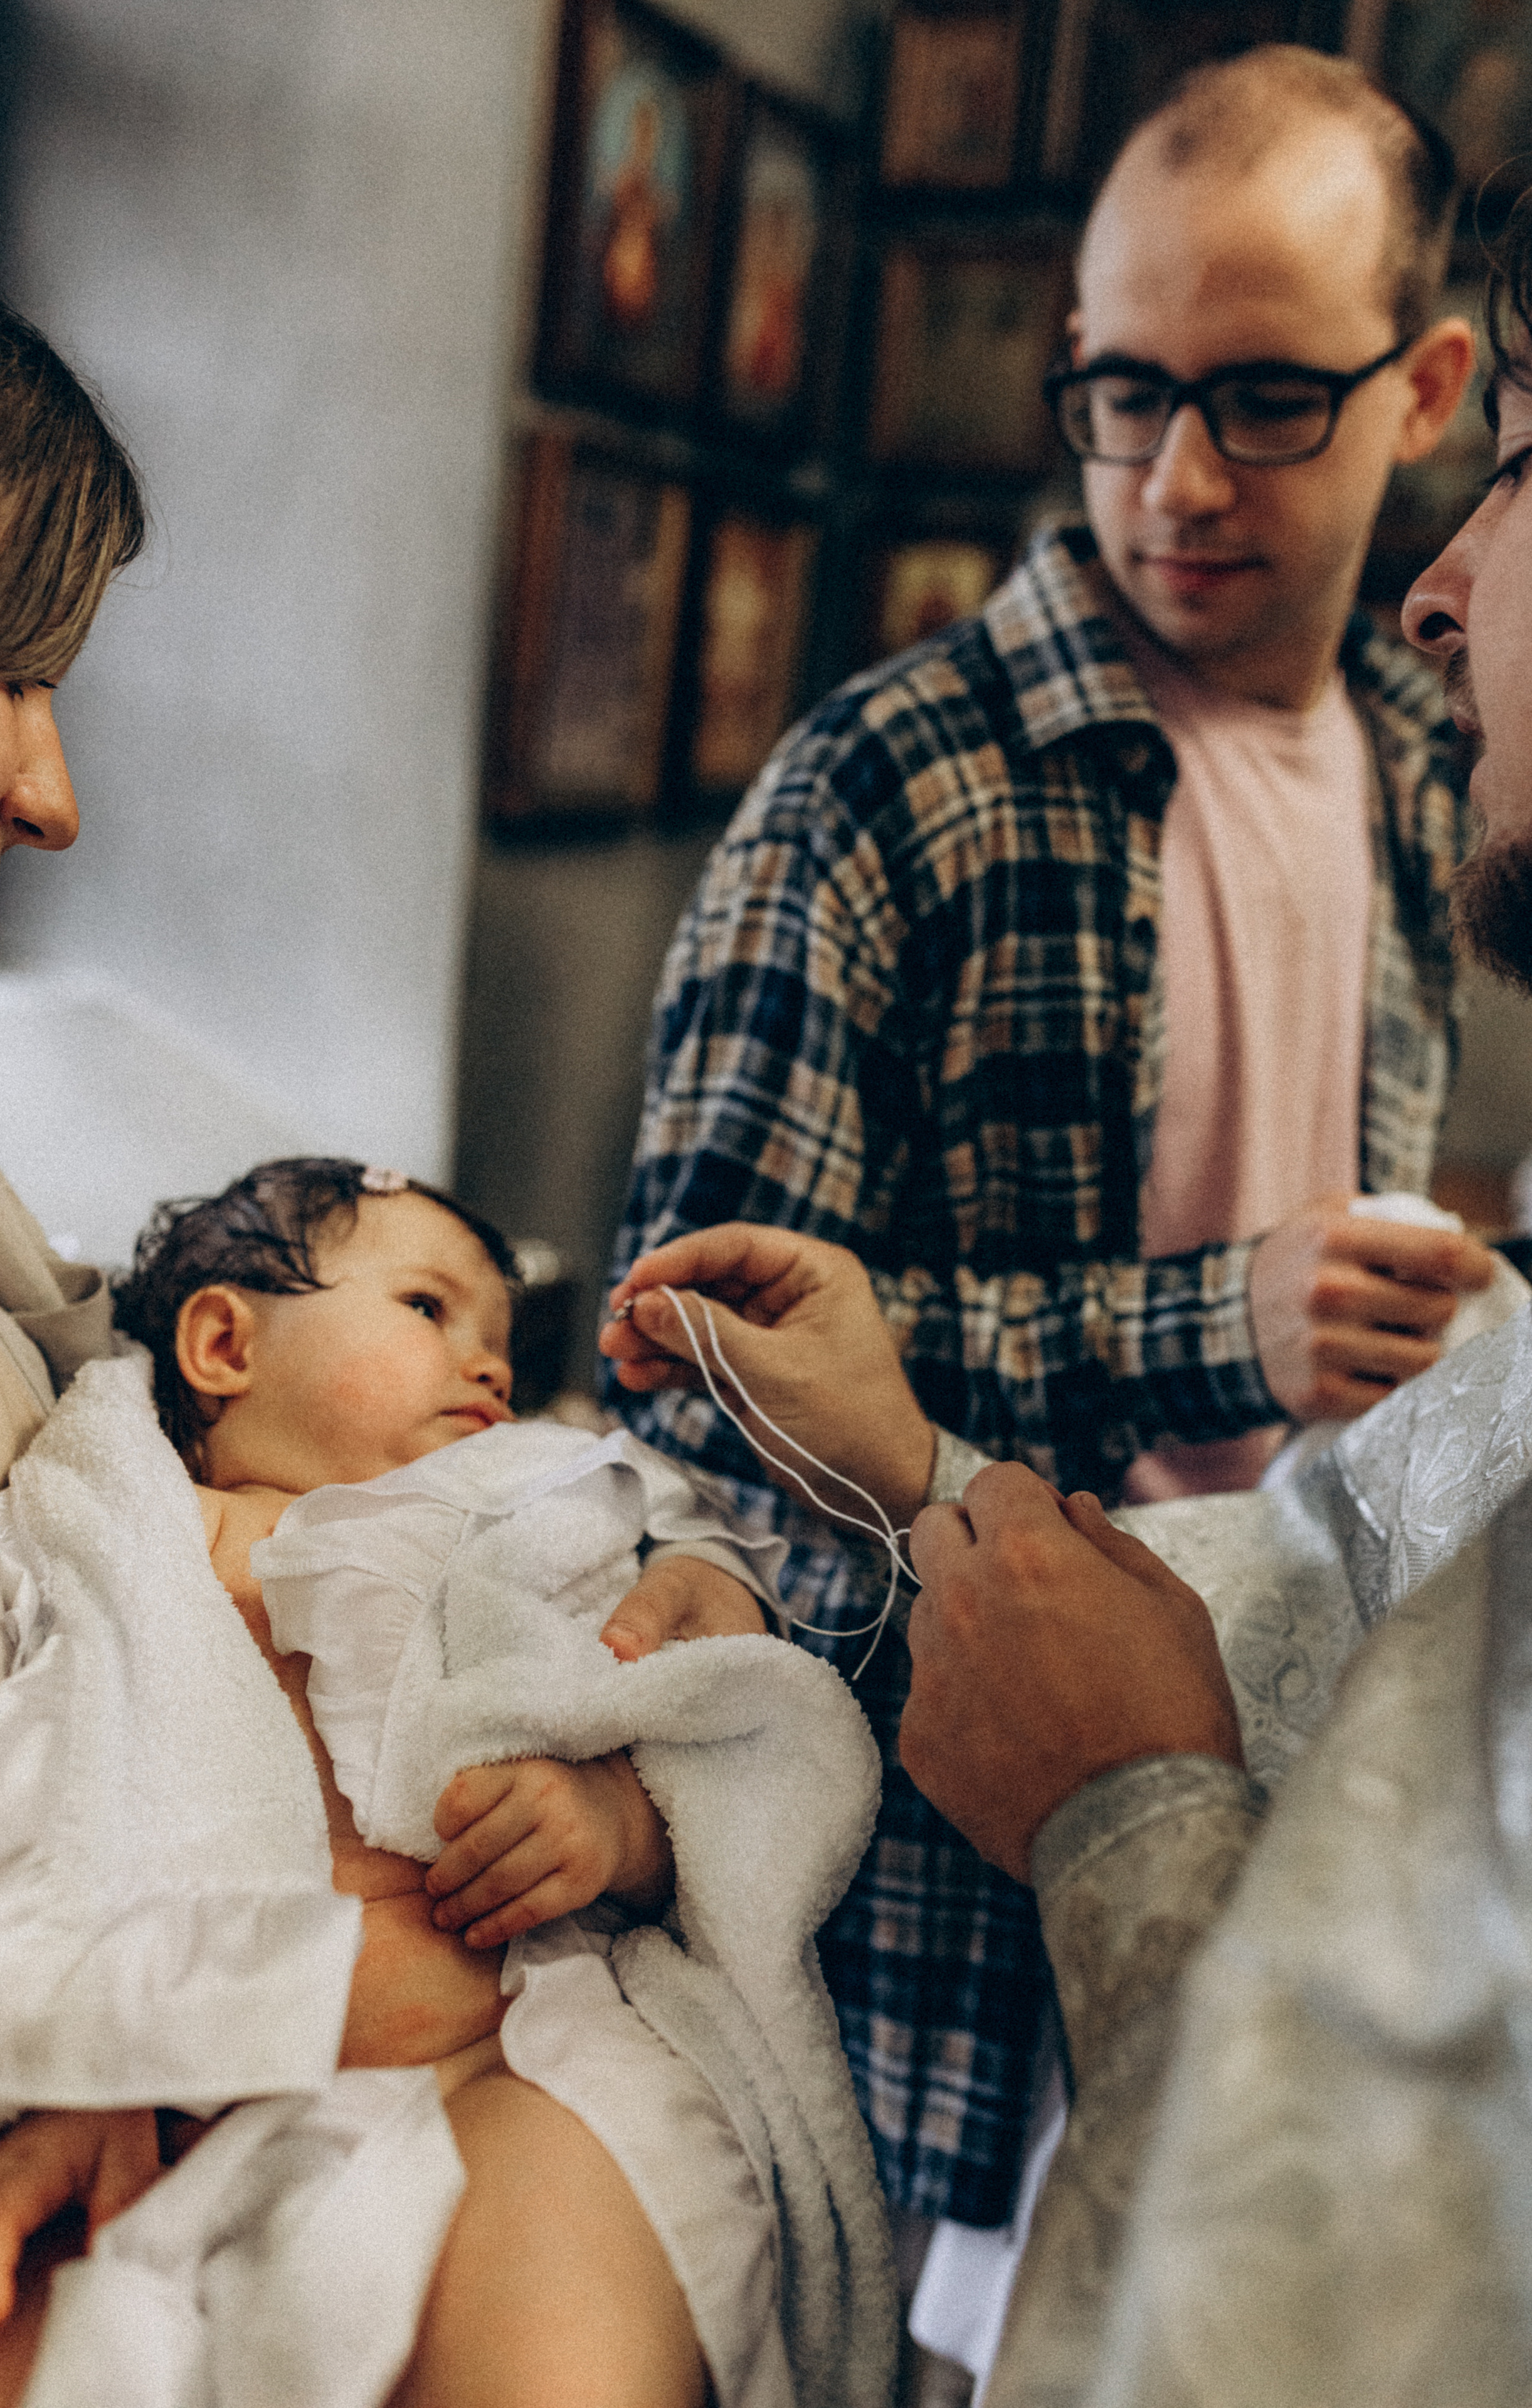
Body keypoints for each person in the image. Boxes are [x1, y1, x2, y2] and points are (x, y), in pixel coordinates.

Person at [603, 173, 1532, 2407]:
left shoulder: (1434, 784)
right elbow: (682, 1377)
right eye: (1121, 394)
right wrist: (1207, 1326)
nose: (1176, 477)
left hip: (1248, 1890)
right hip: (950, 1882)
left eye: (1267, 399)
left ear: (1420, 393)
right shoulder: (878, 784)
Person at [0, 1155, 892, 2408]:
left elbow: (721, 1749)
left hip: (512, 2058)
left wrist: (609, 1824)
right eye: (428, 1309)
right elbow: (59, 1781)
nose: (489, 1363)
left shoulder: (523, 1514)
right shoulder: (133, 1537)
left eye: (496, 1336)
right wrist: (82, 2064)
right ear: (224, 1343)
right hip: (207, 2088)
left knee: (554, 2338)